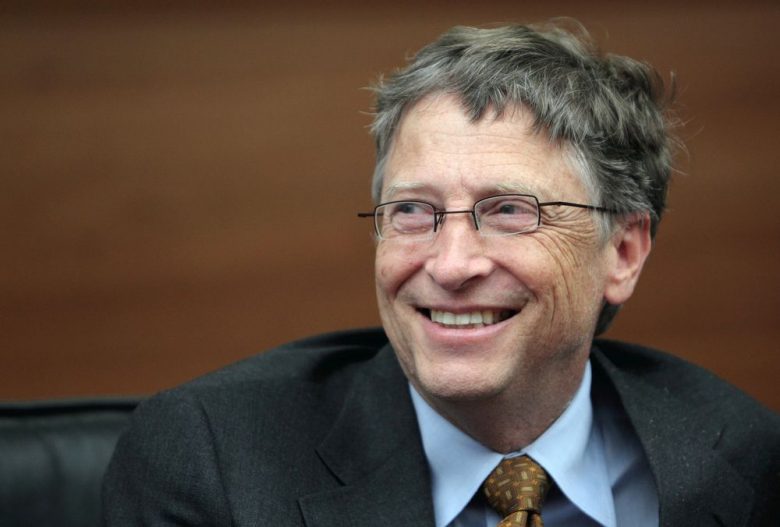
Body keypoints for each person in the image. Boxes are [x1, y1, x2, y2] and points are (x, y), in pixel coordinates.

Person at [102, 22, 780, 527]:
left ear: (623, 252)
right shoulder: (214, 462)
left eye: (509, 211)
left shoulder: (745, 458)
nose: (451, 265)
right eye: (413, 211)